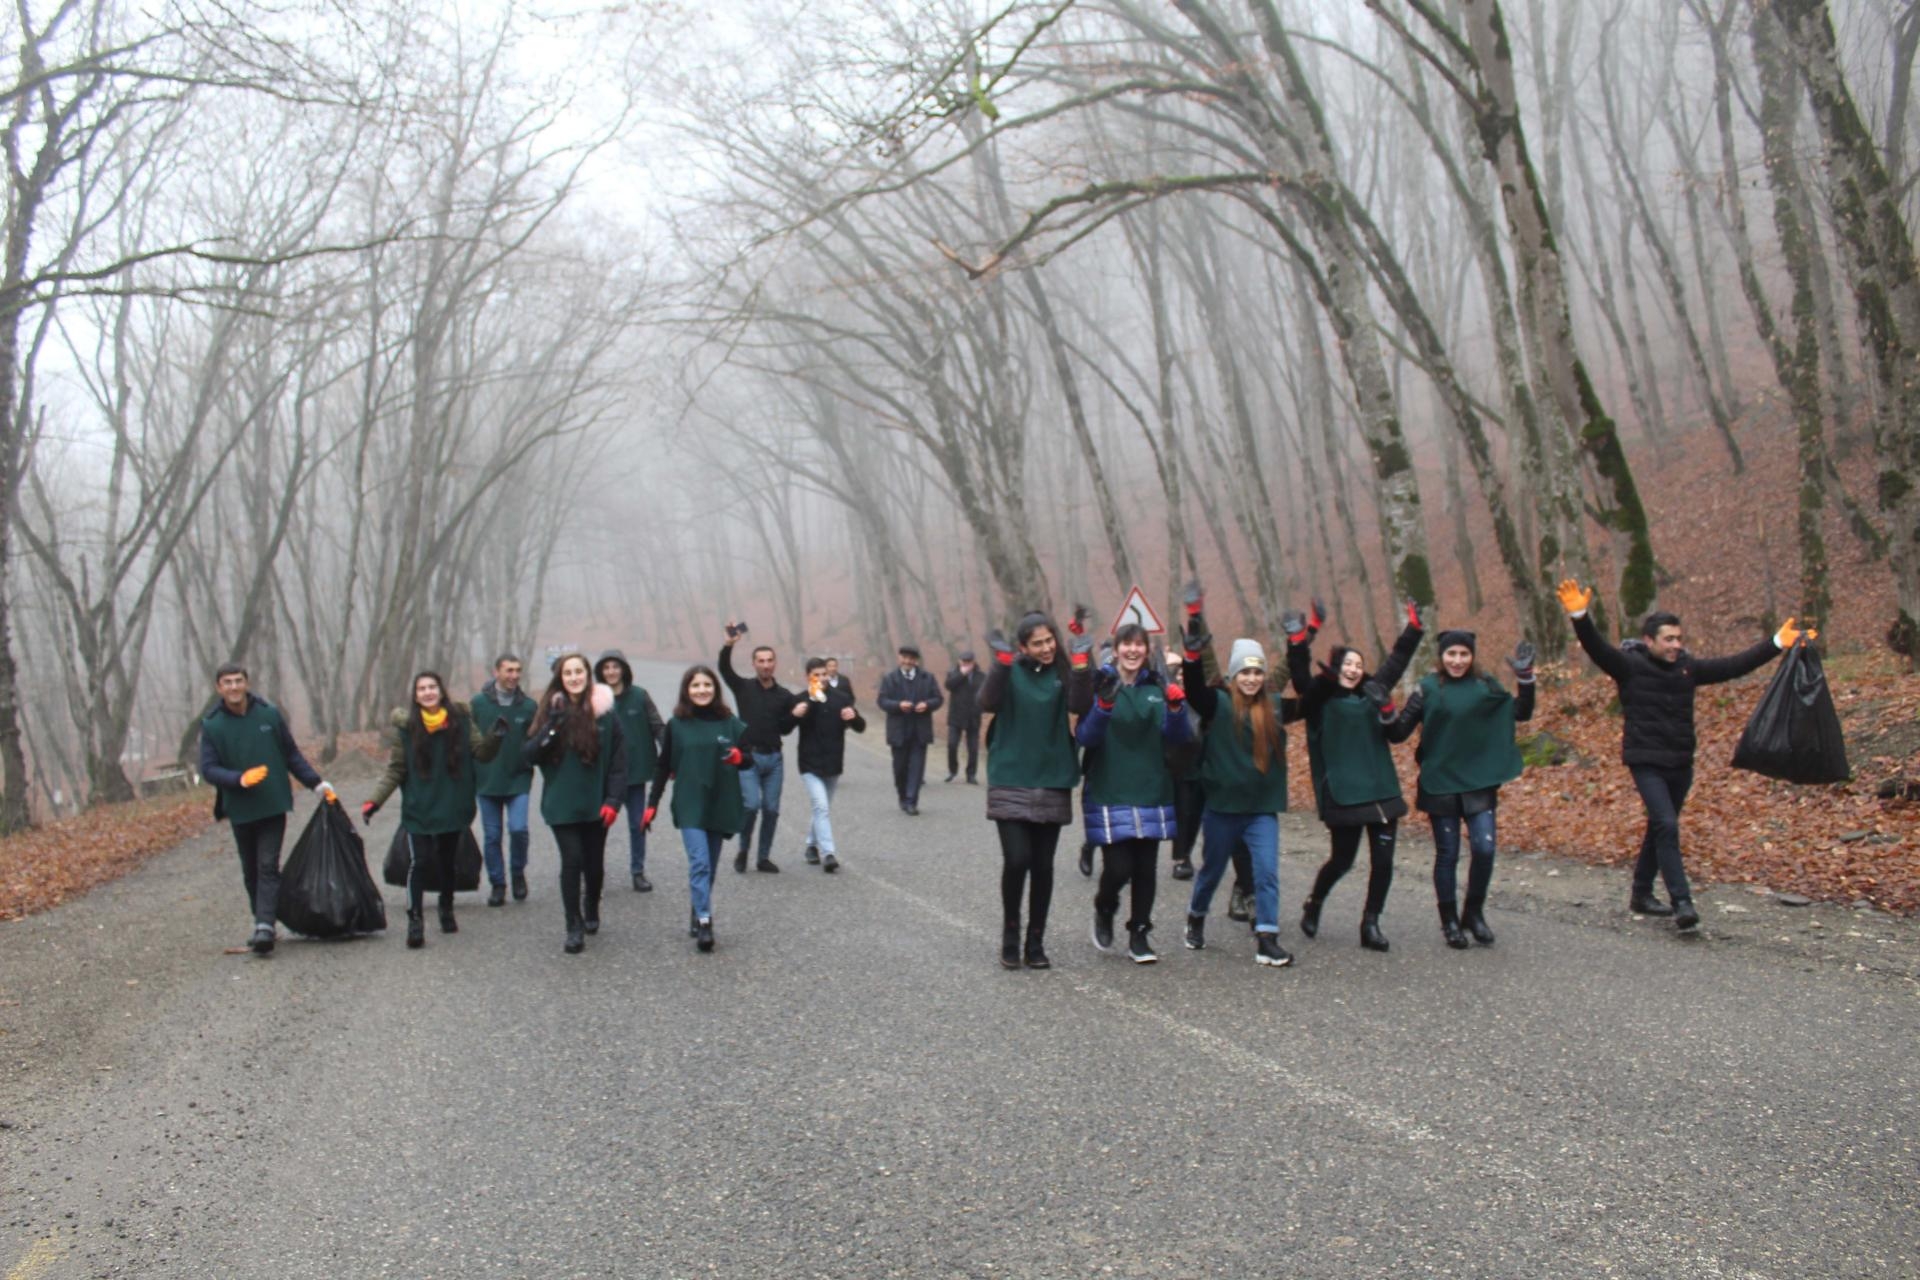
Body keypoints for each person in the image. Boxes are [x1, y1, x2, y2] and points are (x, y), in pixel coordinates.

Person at [1560, 580, 1810, 930]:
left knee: (1660, 826)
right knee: (1666, 824)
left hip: (1680, 763)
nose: (1677, 645)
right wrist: (1580, 616)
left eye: (1679, 638)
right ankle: (1682, 902)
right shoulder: (1628, 666)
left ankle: (1641, 894)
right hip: (1645, 760)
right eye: (1669, 639)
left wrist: (1775, 644)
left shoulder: (1688, 669)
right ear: (1649, 641)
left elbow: (1733, 666)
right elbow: (1596, 648)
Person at [1290, 602, 1424, 953]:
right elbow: (1302, 680)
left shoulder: (1373, 693)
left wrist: (1413, 629)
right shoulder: (1320, 699)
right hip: (1344, 793)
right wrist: (1298, 640)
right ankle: (1315, 901)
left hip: (1381, 790)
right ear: (1337, 667)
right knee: (1342, 860)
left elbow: (1396, 663)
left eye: (1359, 664)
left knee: (1383, 863)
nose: (1354, 669)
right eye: (1347, 663)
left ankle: (1370, 922)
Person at [1392, 631, 1536, 947]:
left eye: (1463, 654)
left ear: (1472, 656)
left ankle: (1474, 913)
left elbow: (1520, 712)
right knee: (1448, 854)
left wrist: (1525, 679)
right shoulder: (1428, 688)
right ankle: (1450, 922)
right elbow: (1399, 732)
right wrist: (1387, 710)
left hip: (1478, 783)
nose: (1457, 660)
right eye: (1451, 654)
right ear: (1441, 656)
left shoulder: (1485, 686)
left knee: (1484, 849)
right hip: (1440, 783)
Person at [1179, 597, 1301, 968]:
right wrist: (1190, 656)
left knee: (1266, 871)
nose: (1251, 679)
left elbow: (1311, 690)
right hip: (1223, 809)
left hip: (1261, 809)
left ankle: (1267, 938)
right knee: (1212, 871)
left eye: (1257, 672)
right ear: (1233, 676)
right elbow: (1194, 689)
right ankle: (1196, 916)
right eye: (1244, 673)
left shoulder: (1276, 707)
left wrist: (1301, 641)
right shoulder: (1217, 703)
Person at [1075, 624, 1193, 964]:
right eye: (1127, 644)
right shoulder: (1101, 683)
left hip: (1152, 787)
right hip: (1110, 786)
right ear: (1116, 648)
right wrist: (1104, 704)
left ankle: (1139, 933)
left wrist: (1176, 709)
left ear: (1146, 651)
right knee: (1118, 867)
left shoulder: (1156, 686)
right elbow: (1086, 737)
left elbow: (1178, 737)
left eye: (1139, 645)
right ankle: (1104, 905)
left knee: (1146, 867)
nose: (1133, 650)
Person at [198, 664, 336, 955]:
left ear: (247, 683)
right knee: (251, 870)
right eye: (227, 682)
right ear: (218, 688)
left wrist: (316, 783)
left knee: (267, 865)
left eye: (238, 681)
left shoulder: (269, 715)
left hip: (272, 803)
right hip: (239, 806)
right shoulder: (212, 725)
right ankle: (262, 919)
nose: (234, 687)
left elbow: (290, 754)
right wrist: (238, 779)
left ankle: (265, 927)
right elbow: (208, 769)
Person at [361, 672, 505, 948]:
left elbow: (482, 753)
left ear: (441, 691)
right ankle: (415, 920)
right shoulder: (406, 729)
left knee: (447, 862)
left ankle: (446, 907)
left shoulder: (461, 721)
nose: (427, 692)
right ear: (415, 696)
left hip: (452, 804)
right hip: (420, 807)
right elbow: (396, 770)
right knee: (420, 862)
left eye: (432, 687)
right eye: (422, 689)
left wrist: (496, 737)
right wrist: (374, 801)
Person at [982, 613, 1091, 969]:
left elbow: (1080, 705)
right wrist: (999, 665)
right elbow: (987, 701)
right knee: (1017, 860)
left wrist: (1080, 664)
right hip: (1011, 774)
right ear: (1023, 647)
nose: (1046, 648)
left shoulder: (1062, 672)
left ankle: (1036, 941)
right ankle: (1010, 934)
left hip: (1053, 775)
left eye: (1049, 640)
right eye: (1037, 643)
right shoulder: (1009, 670)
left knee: (1043, 866)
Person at [520, 653, 627, 954]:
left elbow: (619, 762)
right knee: (572, 860)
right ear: (560, 678)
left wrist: (613, 799)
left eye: (579, 671)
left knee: (593, 866)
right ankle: (573, 925)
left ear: (587, 675)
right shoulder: (550, 711)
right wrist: (552, 727)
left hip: (596, 804)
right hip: (561, 804)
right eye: (568, 673)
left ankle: (591, 903)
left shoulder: (606, 713)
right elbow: (528, 755)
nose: (574, 677)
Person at [645, 665, 754, 952]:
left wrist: (740, 757)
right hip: (690, 803)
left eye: (707, 685)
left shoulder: (730, 723)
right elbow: (663, 765)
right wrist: (651, 804)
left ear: (715, 690)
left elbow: (750, 758)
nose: (702, 690)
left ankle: (697, 907)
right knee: (700, 863)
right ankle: (705, 922)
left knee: (711, 866)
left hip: (720, 801)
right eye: (695, 686)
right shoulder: (676, 725)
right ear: (687, 691)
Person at [717, 623, 796, 872]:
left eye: (769, 660)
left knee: (771, 810)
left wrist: (797, 713)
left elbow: (786, 728)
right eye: (760, 660)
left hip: (774, 760)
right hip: (749, 758)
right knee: (751, 806)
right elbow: (724, 669)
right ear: (753, 664)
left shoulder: (784, 695)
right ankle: (743, 850)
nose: (765, 664)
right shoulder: (743, 688)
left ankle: (763, 858)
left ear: (775, 664)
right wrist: (729, 644)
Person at [470, 653, 537, 907]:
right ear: (496, 671)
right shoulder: (478, 704)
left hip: (518, 778)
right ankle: (498, 883)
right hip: (486, 779)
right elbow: (469, 740)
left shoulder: (529, 707)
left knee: (518, 829)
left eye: (518, 670)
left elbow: (536, 740)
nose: (514, 676)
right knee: (492, 835)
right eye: (509, 670)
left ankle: (518, 872)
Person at [598, 649, 665, 892]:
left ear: (624, 669)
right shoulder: (596, 698)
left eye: (615, 667)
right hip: (605, 775)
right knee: (599, 827)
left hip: (636, 772)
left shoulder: (639, 696)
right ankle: (595, 872)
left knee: (638, 823)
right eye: (606, 668)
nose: (611, 672)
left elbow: (658, 726)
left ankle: (638, 871)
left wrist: (670, 754)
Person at [792, 656, 866, 871]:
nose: (822, 678)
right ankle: (828, 853)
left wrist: (853, 716)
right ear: (808, 677)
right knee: (821, 806)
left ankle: (810, 845)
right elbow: (785, 725)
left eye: (824, 674)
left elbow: (860, 727)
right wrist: (796, 714)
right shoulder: (801, 700)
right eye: (816, 675)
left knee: (821, 809)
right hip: (809, 764)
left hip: (833, 763)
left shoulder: (841, 698)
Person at [877, 643, 944, 814]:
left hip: (919, 731)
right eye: (904, 657)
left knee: (917, 768)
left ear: (916, 661)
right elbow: (882, 701)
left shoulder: (927, 678)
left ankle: (912, 801)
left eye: (911, 658)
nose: (907, 661)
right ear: (899, 658)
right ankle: (902, 796)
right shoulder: (889, 678)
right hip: (898, 731)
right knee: (900, 768)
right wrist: (898, 705)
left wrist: (927, 704)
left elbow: (938, 698)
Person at [943, 651, 986, 784]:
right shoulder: (953, 673)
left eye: (969, 662)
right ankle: (952, 770)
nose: (966, 664)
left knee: (973, 748)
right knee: (952, 744)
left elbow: (985, 693)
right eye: (963, 661)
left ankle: (971, 774)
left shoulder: (981, 676)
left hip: (973, 716)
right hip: (956, 716)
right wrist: (962, 674)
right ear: (959, 661)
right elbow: (949, 685)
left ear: (973, 662)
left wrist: (982, 708)